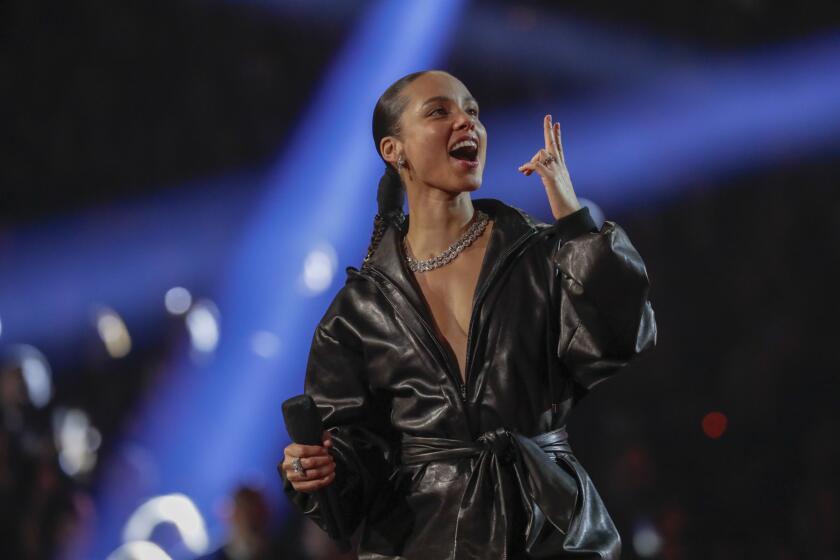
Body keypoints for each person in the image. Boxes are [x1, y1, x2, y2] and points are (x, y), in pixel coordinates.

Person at [279, 69, 657, 559]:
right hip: (423, 538)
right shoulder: (360, 309)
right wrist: (319, 469)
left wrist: (574, 222)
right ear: (394, 151)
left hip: (548, 525)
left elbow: (623, 332)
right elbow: (355, 454)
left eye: (473, 112)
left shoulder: (536, 254)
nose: (467, 123)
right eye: (440, 111)